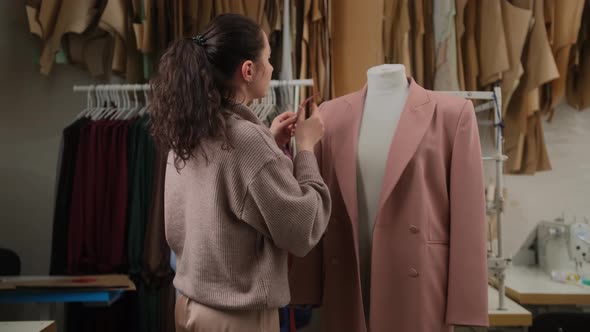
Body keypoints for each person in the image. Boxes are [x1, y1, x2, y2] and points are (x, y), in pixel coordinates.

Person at [149, 14, 331, 332]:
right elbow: (304, 229)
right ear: (248, 70)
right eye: (268, 59)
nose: (272, 68)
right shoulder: (246, 141)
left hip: (189, 310)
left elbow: (221, 192)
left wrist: (270, 143)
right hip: (237, 321)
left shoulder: (189, 128)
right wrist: (305, 148)